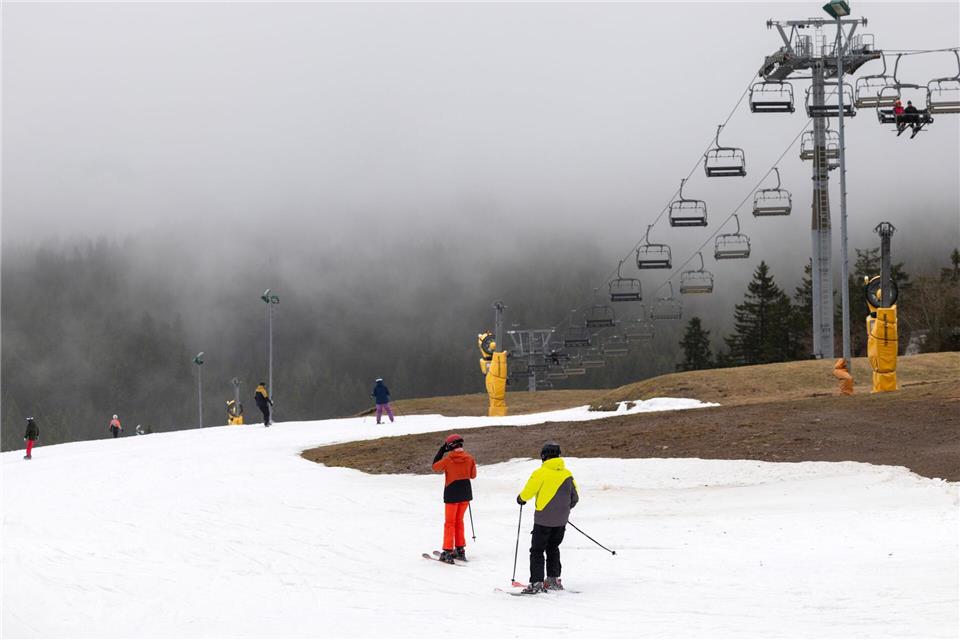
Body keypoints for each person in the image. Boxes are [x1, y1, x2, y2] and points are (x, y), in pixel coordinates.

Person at [516, 441, 579, 594]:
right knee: (553, 548)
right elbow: (575, 498)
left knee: (537, 550)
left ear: (543, 456)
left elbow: (528, 492)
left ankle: (536, 583)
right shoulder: (567, 474)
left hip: (543, 520)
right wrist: (562, 511)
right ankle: (553, 580)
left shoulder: (540, 473)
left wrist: (521, 498)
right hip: (561, 521)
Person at [431, 434, 477, 563]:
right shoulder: (470, 458)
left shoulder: (448, 459)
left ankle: (447, 551)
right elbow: (473, 476)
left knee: (450, 523)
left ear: (449, 446)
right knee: (459, 521)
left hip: (452, 494)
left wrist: (441, 451)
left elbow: (434, 466)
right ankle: (460, 549)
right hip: (465, 493)